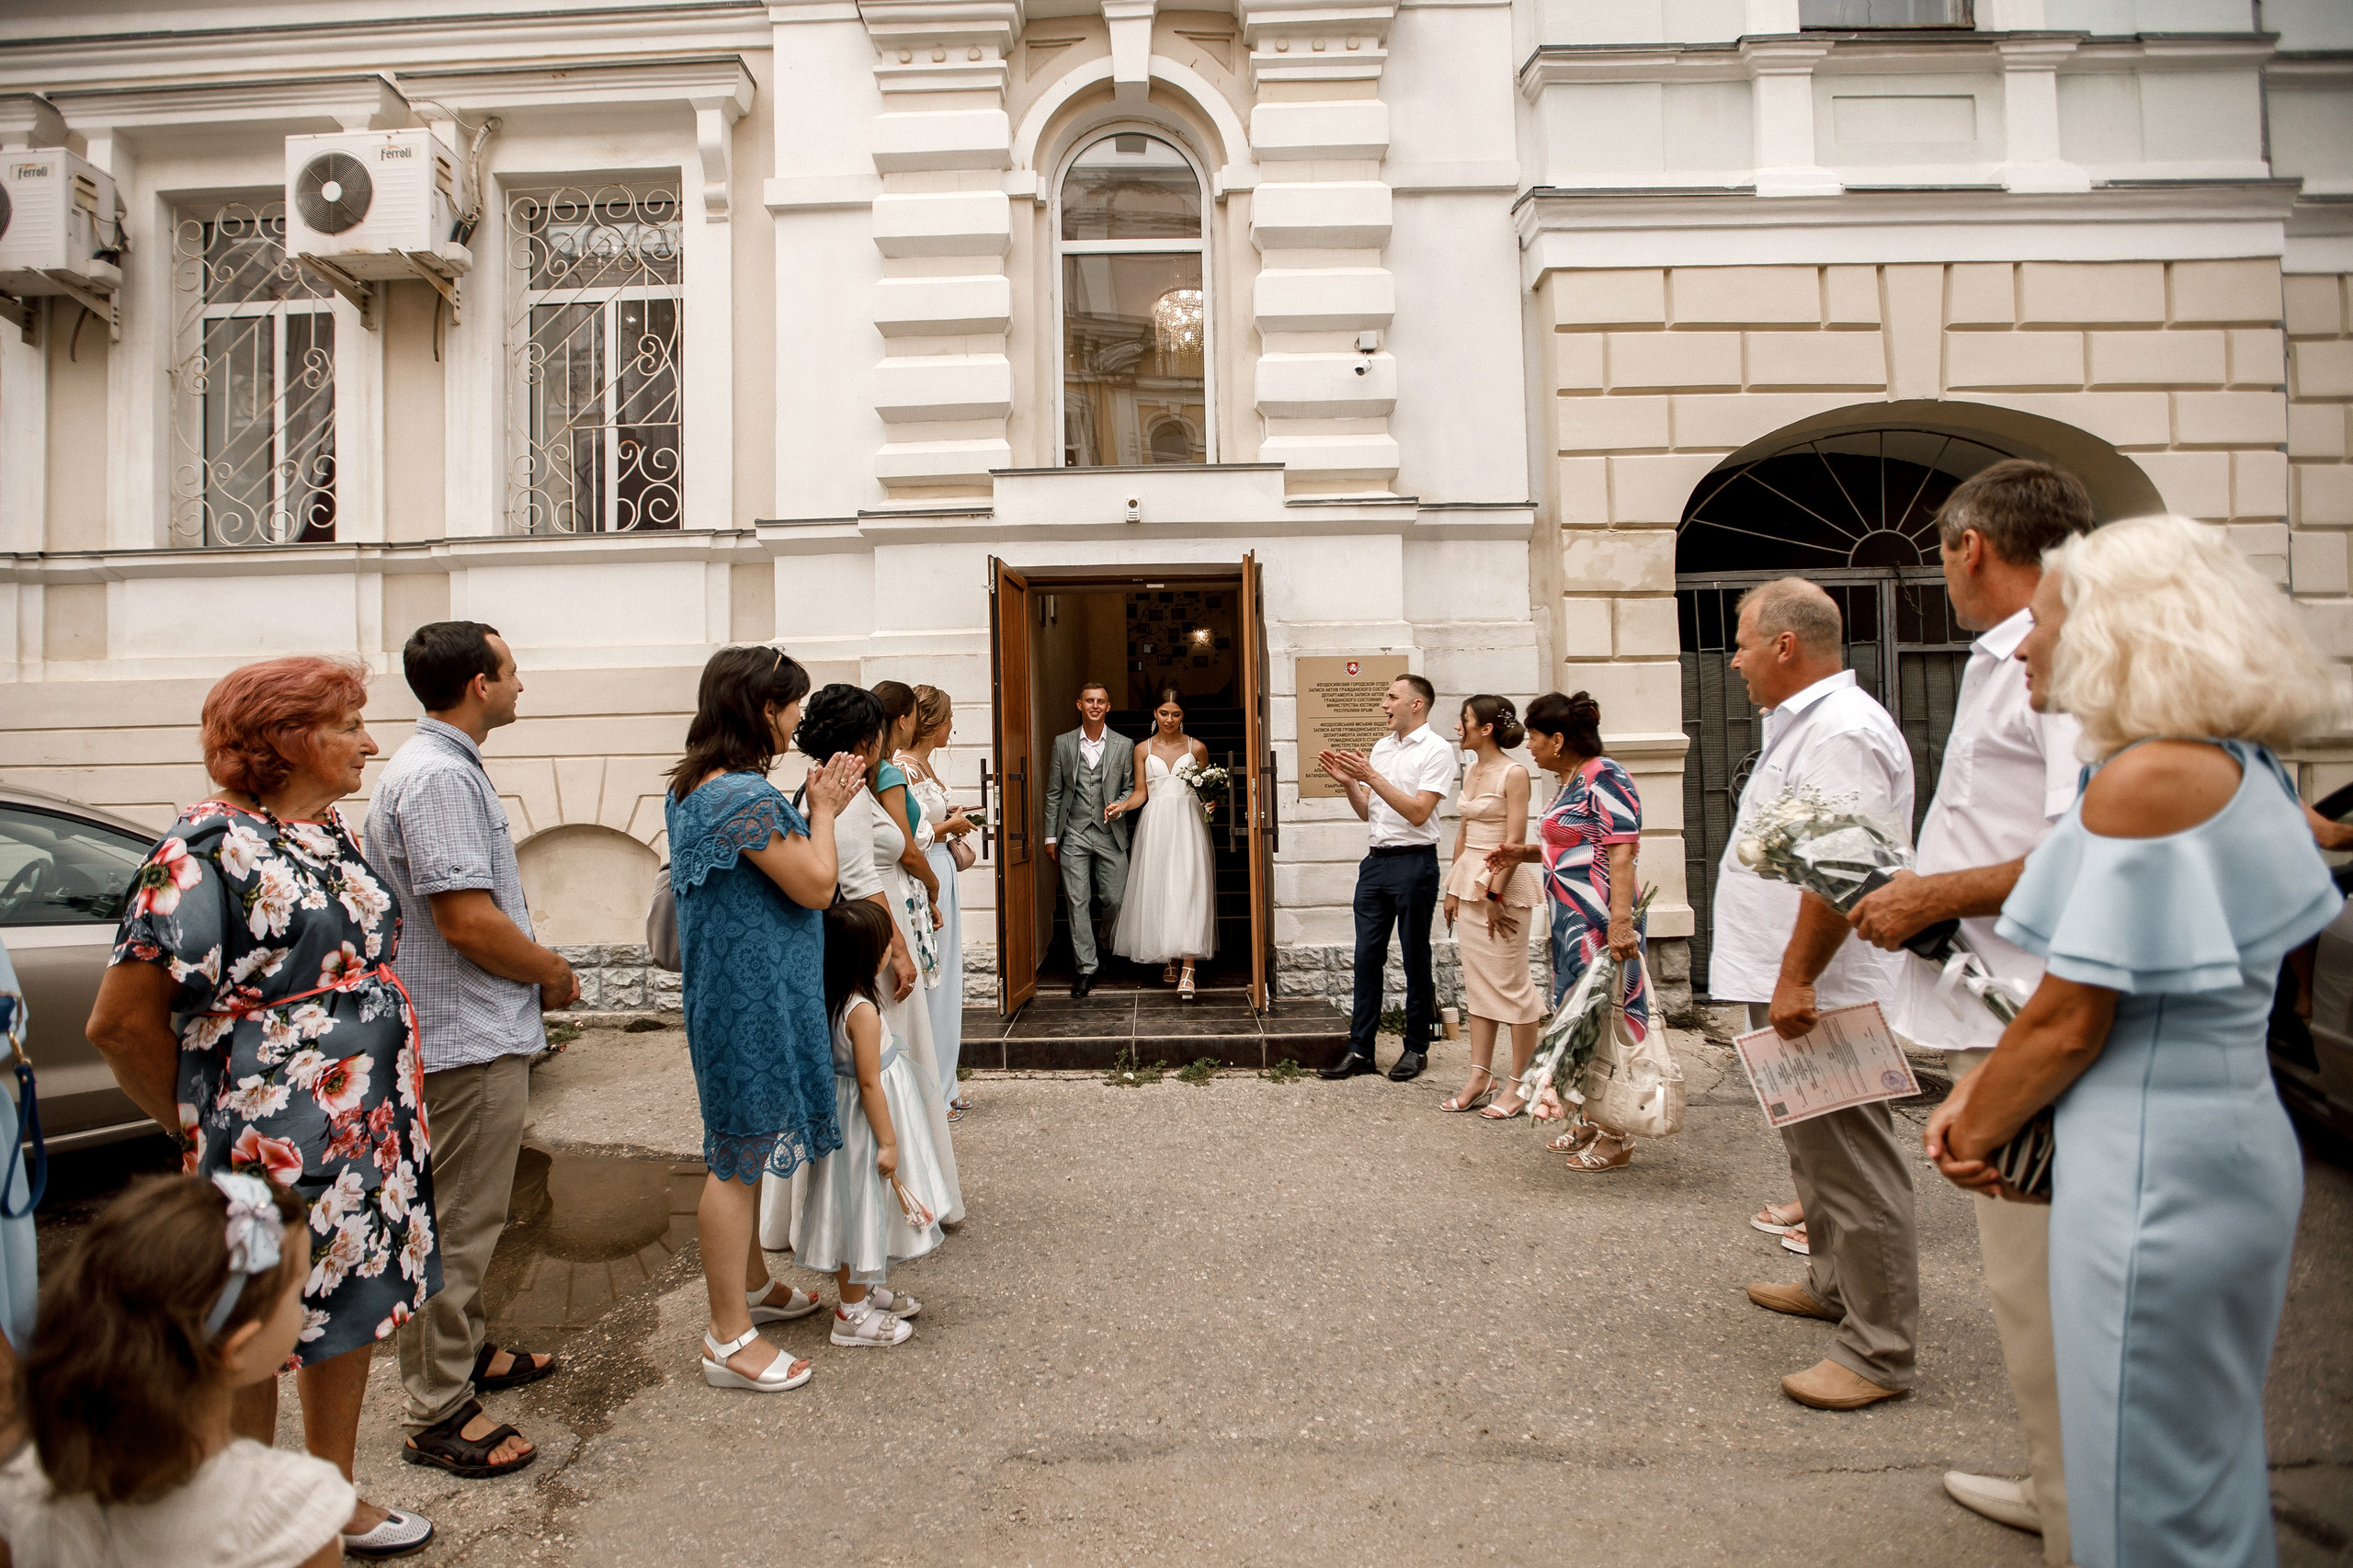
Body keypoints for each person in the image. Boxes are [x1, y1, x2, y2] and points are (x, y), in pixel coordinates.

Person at [1927, 514, 2341, 1568]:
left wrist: (1972, 1120)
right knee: (2194, 1468)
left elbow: (2070, 1015)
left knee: (2140, 1492)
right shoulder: (2240, 763)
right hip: (2213, 1135)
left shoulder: (2147, 778)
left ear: (2123, 636)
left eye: (2046, 622)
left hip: (2154, 1157)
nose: (2023, 644)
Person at [85, 655, 438, 1558]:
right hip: (265, 1144)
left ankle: (330, 1492)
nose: (371, 741)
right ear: (290, 739)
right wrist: (202, 1121)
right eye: (351, 724)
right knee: (256, 1319)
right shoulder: (205, 849)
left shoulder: (324, 829)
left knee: (346, 1304)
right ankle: (251, 1512)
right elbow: (120, 1023)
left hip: (365, 1132)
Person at [1843, 460, 2092, 1553]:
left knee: (2041, 1283)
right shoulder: (2011, 654)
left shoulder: (2057, 650)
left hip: (2035, 1006)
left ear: (1967, 545)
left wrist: (1935, 891)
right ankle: (2059, 1470)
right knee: (2022, 1279)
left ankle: (2077, 1499)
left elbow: (2088, 838)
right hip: (2001, 994)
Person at [367, 621, 574, 1478]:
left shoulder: (441, 766)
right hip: (464, 1037)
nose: (522, 684)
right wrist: (553, 971)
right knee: (458, 1221)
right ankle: (438, 1408)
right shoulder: (439, 776)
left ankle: (468, 1349)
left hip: (469, 1029)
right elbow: (466, 919)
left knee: (471, 1213)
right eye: (513, 671)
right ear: (480, 684)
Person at [1713, 579, 1920, 1413]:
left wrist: (1798, 977)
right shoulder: (1808, 725)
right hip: (1793, 978)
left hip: (1822, 986)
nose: (1733, 659)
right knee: (1814, 1153)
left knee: (1854, 1164)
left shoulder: (1840, 732)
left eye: (1742, 641)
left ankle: (1878, 1350)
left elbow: (1844, 870)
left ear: (1786, 646)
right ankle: (1836, 1285)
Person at [665, 645, 866, 1394]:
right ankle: (727, 1338)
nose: (798, 720)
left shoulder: (702, 785)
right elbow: (816, 885)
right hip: (749, 998)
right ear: (759, 709)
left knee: (744, 1144)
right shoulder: (738, 798)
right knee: (736, 1156)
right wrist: (821, 809)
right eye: (791, 706)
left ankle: (751, 1287)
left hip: (742, 988)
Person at [0, 1174, 354, 1567]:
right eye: (296, 1290)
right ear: (236, 1349)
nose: (302, 1309)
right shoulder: (294, 1510)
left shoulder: (25, 1488)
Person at [795, 685, 964, 1227]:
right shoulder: (842, 790)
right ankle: (894, 1206)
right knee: (886, 1071)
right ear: (865, 738)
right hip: (866, 946)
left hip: (875, 930)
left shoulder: (841, 785)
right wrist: (897, 951)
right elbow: (858, 877)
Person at [1484, 692, 1647, 1165]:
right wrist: (1523, 854)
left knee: (1605, 1022)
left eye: (1534, 737)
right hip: (1571, 922)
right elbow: (1571, 845)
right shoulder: (1570, 779)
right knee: (1579, 1023)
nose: (1528, 745)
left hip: (1599, 923)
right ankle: (1590, 1120)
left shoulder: (1606, 776)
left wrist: (1619, 923)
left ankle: (1617, 1136)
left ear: (1558, 739)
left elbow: (1621, 851)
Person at [794, 900, 952, 1348]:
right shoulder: (860, 1011)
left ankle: (866, 1284)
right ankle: (850, 1313)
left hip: (862, 1119)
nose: (890, 948)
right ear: (868, 955)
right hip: (865, 1128)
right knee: (857, 1209)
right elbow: (867, 1083)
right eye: (885, 942)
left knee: (869, 1208)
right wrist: (888, 1141)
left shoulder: (841, 996)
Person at [1318, 674, 1458, 1081]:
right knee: (1366, 958)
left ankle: (1416, 1047)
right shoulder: (1381, 747)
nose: (1384, 704)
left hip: (1415, 863)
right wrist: (1350, 783)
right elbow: (1369, 811)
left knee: (1415, 957)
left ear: (1416, 704)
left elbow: (1417, 812)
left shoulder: (1436, 750)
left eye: (1391, 697)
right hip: (1375, 863)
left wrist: (1371, 776)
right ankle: (1361, 1049)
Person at [1438, 697, 1544, 1118]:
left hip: (1504, 884)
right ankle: (1480, 1076)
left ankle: (1520, 1082)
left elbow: (1515, 839)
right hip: (1468, 883)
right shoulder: (1471, 768)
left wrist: (1495, 895)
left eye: (1464, 720)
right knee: (1479, 987)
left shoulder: (1513, 773)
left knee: (1512, 986)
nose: (1458, 727)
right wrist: (1452, 890)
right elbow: (1464, 831)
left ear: (1485, 728)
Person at [897, 686, 980, 1115]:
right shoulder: (902, 768)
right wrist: (949, 826)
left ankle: (945, 1084)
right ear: (931, 722)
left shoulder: (924, 765)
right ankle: (930, 1092)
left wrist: (952, 819)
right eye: (949, 718)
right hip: (924, 876)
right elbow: (905, 835)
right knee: (935, 979)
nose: (953, 727)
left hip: (944, 871)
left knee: (948, 979)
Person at [1108, 688, 1218, 999]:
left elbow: (1207, 791)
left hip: (1187, 822)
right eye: (1164, 713)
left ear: (1184, 715)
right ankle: (1169, 955)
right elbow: (1141, 792)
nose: (1169, 719)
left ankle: (1188, 968)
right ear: (1154, 713)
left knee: (1189, 888)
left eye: (1176, 714)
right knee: (1161, 889)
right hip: (1155, 824)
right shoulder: (1142, 749)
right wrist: (1121, 806)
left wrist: (1212, 803)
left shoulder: (1198, 748)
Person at [1042, 681, 1135, 998]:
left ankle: (1106, 943)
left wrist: (1120, 805)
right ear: (1079, 705)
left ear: (1108, 707)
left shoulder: (1124, 745)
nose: (1095, 705)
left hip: (1111, 832)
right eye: (1089, 701)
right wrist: (1050, 836)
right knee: (1077, 901)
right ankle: (1086, 967)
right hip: (1075, 832)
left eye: (1101, 701)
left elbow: (1131, 788)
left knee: (1116, 898)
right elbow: (1055, 792)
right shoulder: (1063, 743)